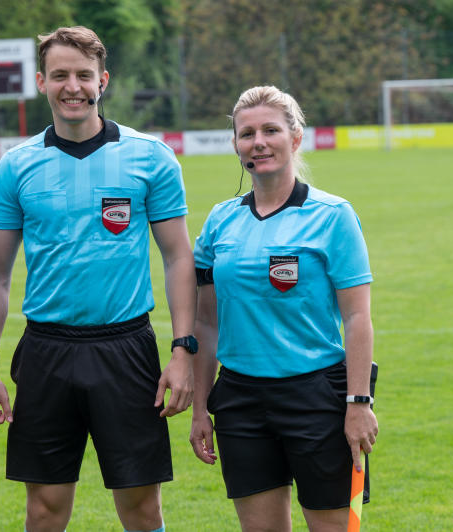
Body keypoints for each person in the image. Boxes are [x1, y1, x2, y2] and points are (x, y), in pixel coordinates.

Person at [0, 26, 196, 532]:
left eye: (83, 75)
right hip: (46, 351)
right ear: (41, 82)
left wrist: (182, 351)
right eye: (59, 75)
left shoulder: (150, 156)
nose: (72, 86)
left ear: (103, 80)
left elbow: (178, 258)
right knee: (45, 508)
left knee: (141, 507)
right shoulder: (16, 165)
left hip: (126, 348)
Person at [190, 85, 379, 531]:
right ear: (236, 145)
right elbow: (206, 322)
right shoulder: (220, 221)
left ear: (295, 138)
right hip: (240, 400)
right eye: (247, 133)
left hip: (317, 396)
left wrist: (358, 403)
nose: (258, 142)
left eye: (270, 130)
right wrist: (200, 407)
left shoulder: (333, 215)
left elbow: (357, 318)